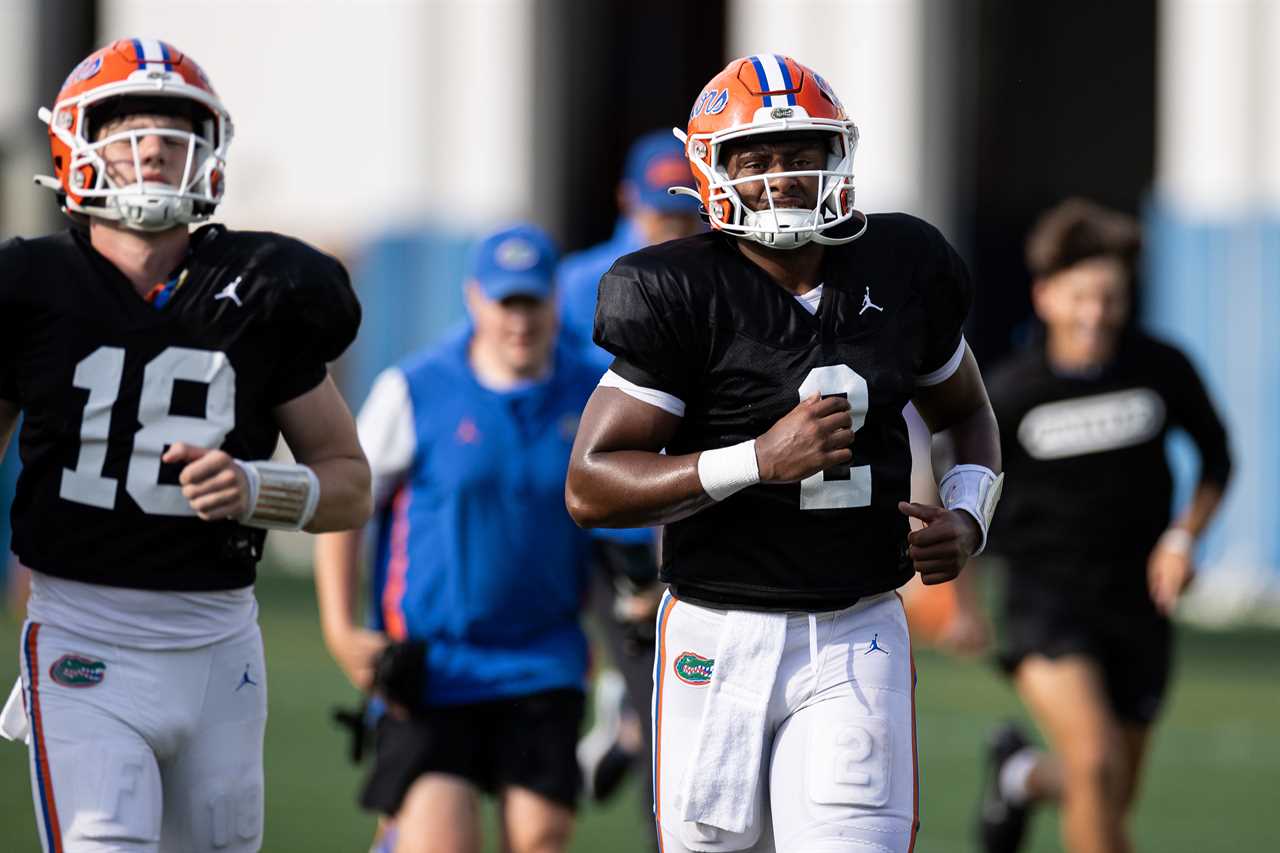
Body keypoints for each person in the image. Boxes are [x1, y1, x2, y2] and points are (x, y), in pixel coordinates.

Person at [564, 54, 1004, 853]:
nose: (782, 178)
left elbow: (967, 409)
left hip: (857, 625)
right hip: (716, 629)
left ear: (835, 155)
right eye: (756, 159)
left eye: (800, 153)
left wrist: (969, 513)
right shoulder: (678, 288)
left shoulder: (904, 265)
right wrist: (755, 460)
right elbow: (592, 485)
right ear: (711, 169)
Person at [0, 39, 371, 853]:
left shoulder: (261, 288)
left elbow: (349, 482)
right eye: (130, 125)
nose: (155, 146)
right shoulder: (31, 289)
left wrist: (256, 489)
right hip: (82, 635)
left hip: (219, 647)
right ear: (76, 144)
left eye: (175, 128)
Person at [314, 224, 601, 853]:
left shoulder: (594, 391)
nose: (519, 320)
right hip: (434, 663)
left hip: (544, 658)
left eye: (532, 300)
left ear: (556, 299)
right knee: (442, 843)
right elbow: (347, 504)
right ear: (474, 299)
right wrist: (341, 631)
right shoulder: (416, 389)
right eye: (506, 302)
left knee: (541, 837)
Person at [966, 198, 1232, 853]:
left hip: (1140, 602)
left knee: (1109, 788)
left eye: (1109, 296)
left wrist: (1182, 537)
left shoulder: (1162, 367)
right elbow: (960, 487)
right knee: (1094, 763)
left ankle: (1022, 776)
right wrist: (956, 595)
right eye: (1080, 296)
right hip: (1045, 599)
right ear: (1045, 296)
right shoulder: (1010, 392)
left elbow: (1217, 459)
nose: (1095, 313)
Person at [557, 129, 701, 809]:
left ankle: (620, 723)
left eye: (681, 209)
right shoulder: (579, 283)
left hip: (685, 512)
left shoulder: (721, 270)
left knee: (678, 704)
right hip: (604, 519)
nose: (668, 224)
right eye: (657, 209)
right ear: (626, 200)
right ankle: (617, 718)